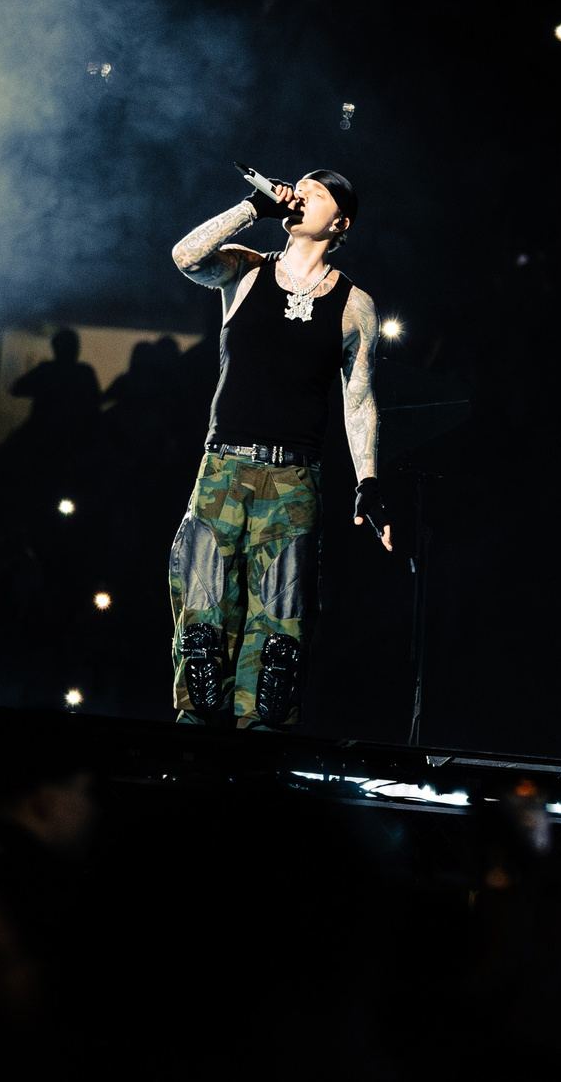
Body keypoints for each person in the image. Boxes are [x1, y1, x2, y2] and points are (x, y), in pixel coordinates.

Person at [165, 170, 384, 728]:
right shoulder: (246, 269)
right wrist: (250, 208)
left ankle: (258, 775)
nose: (302, 190)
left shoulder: (354, 304)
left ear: (340, 222)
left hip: (293, 485)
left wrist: (369, 481)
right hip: (223, 468)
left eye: (319, 191)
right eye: (300, 184)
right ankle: (192, 759)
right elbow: (186, 256)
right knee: (202, 636)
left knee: (277, 654)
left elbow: (358, 401)